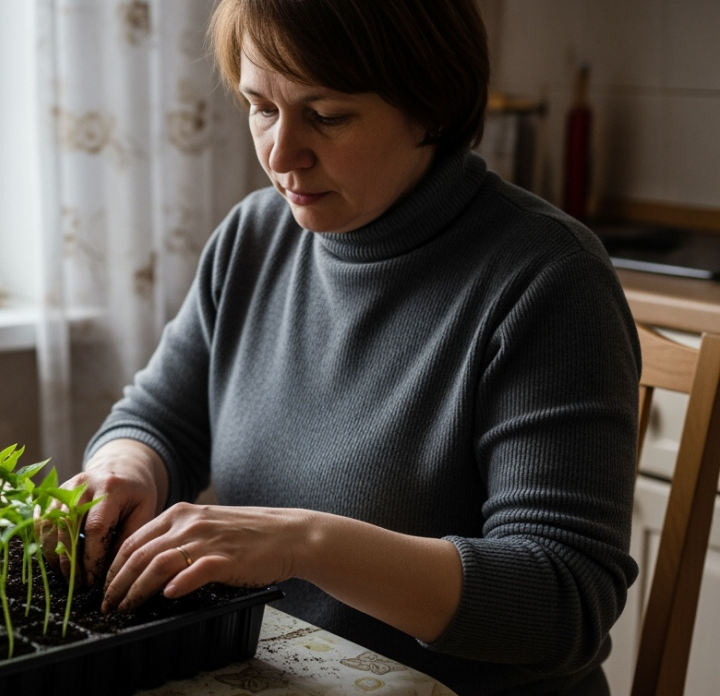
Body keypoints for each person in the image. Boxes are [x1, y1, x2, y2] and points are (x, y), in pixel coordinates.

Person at [47, 0, 641, 694]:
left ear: (432, 108)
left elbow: (561, 601)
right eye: (260, 106)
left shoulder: (548, 281)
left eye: (325, 115)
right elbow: (159, 421)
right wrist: (125, 469)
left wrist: (305, 545)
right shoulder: (255, 237)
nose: (279, 153)